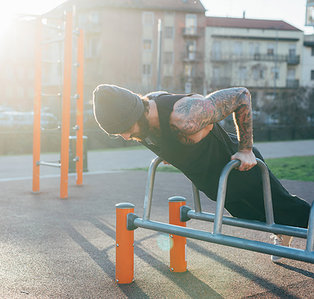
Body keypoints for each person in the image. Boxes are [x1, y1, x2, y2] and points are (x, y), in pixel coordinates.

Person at [92, 84, 311, 262]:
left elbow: (241, 95)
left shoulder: (185, 114)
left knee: (288, 210)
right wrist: (171, 151)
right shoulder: (146, 116)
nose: (126, 137)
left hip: (241, 171)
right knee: (249, 216)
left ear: (137, 114)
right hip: (217, 184)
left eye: (127, 130)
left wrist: (246, 149)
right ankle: (283, 231)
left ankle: (289, 228)